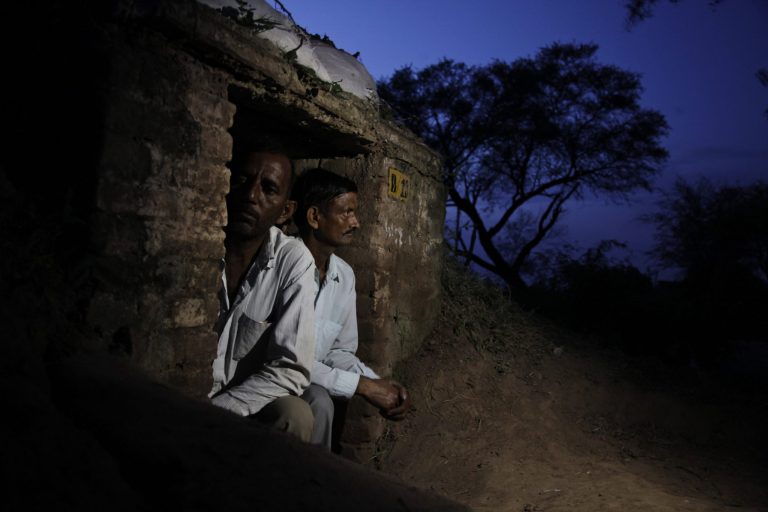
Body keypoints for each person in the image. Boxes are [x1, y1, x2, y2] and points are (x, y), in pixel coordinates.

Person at [292, 168, 412, 450]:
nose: (355, 222)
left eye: (354, 212)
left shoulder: (343, 276)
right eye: (346, 212)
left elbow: (339, 352)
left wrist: (380, 384)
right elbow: (286, 357)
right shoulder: (283, 264)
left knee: (319, 400)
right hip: (268, 376)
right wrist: (364, 387)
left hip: (306, 380)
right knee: (319, 402)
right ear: (314, 217)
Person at [208, 141, 316, 442]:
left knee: (295, 416)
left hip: (246, 403)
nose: (250, 196)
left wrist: (215, 412)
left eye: (268, 189)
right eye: (242, 180)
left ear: (286, 211)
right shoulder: (198, 241)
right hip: (184, 394)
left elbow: (290, 370)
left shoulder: (292, 260)